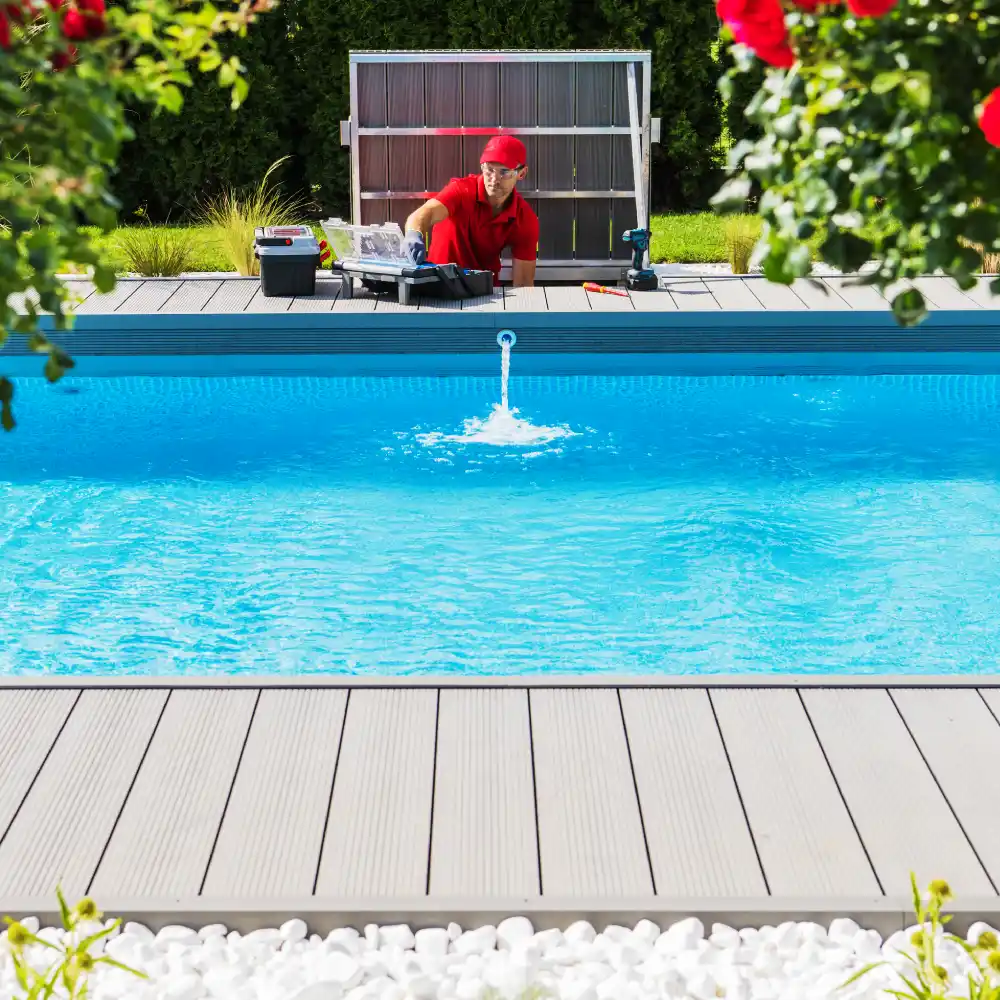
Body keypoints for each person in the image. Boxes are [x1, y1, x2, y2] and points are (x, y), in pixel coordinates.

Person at [402, 135, 539, 287]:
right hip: (437, 285)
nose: (494, 179)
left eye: (504, 172)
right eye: (489, 169)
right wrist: (414, 234)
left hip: (484, 292)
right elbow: (426, 212)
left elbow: (524, 285)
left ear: (521, 173)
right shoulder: (461, 191)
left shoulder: (525, 218)